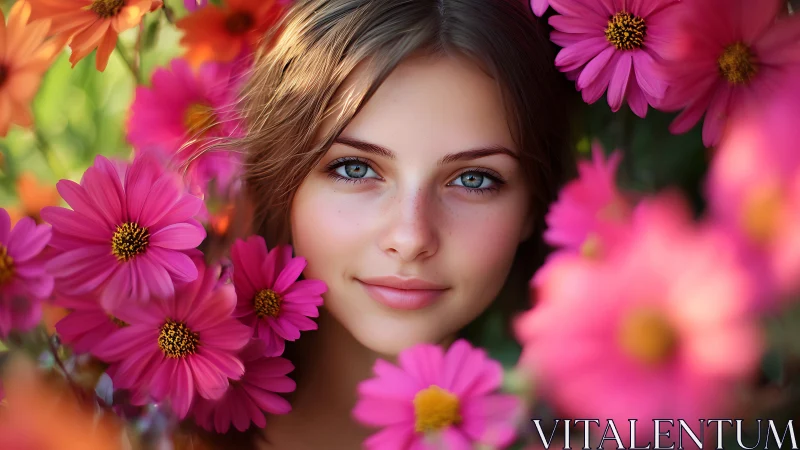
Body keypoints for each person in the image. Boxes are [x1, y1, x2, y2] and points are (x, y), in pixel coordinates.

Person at [215, 0, 575, 448]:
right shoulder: (138, 425)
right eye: (355, 169)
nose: (410, 238)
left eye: (474, 179)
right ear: (280, 181)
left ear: (532, 208)